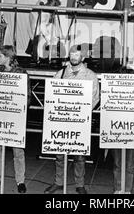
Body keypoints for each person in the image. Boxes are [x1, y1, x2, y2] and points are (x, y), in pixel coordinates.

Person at [44, 44, 99, 194]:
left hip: (80, 121)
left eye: (77, 55)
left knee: (79, 156)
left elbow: (95, 98)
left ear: (83, 57)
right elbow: (51, 93)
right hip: (61, 120)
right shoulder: (60, 73)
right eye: (72, 54)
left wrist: (81, 113)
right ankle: (58, 182)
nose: (74, 57)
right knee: (59, 154)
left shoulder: (91, 75)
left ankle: (80, 184)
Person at [0, 45, 30, 193]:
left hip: (15, 117)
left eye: (0, 55)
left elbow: (27, 96)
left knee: (18, 151)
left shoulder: (21, 73)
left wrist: (16, 108)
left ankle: (20, 181)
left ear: (8, 57)